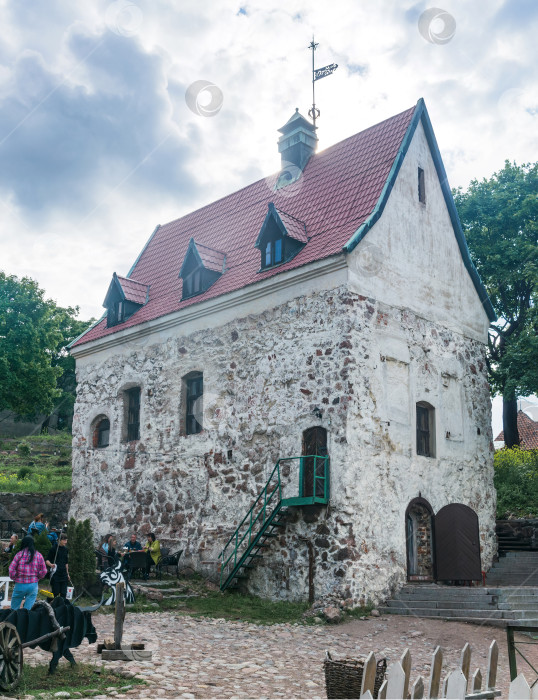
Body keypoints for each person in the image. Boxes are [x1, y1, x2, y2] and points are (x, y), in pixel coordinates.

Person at [9, 535, 47, 610]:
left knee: (14, 608)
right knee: (28, 609)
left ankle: (13, 620)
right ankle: (26, 620)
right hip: (33, 584)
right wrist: (38, 577)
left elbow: (11, 569)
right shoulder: (39, 555)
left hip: (20, 584)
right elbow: (44, 571)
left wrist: (14, 577)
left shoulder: (19, 554)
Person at [46, 533, 71, 598]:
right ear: (59, 540)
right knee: (55, 592)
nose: (66, 542)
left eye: (66, 540)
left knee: (63, 593)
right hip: (56, 573)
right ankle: (49, 604)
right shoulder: (53, 549)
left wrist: (67, 573)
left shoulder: (66, 550)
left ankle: (61, 606)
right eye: (64, 540)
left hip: (64, 574)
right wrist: (51, 565)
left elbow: (66, 563)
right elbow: (47, 560)